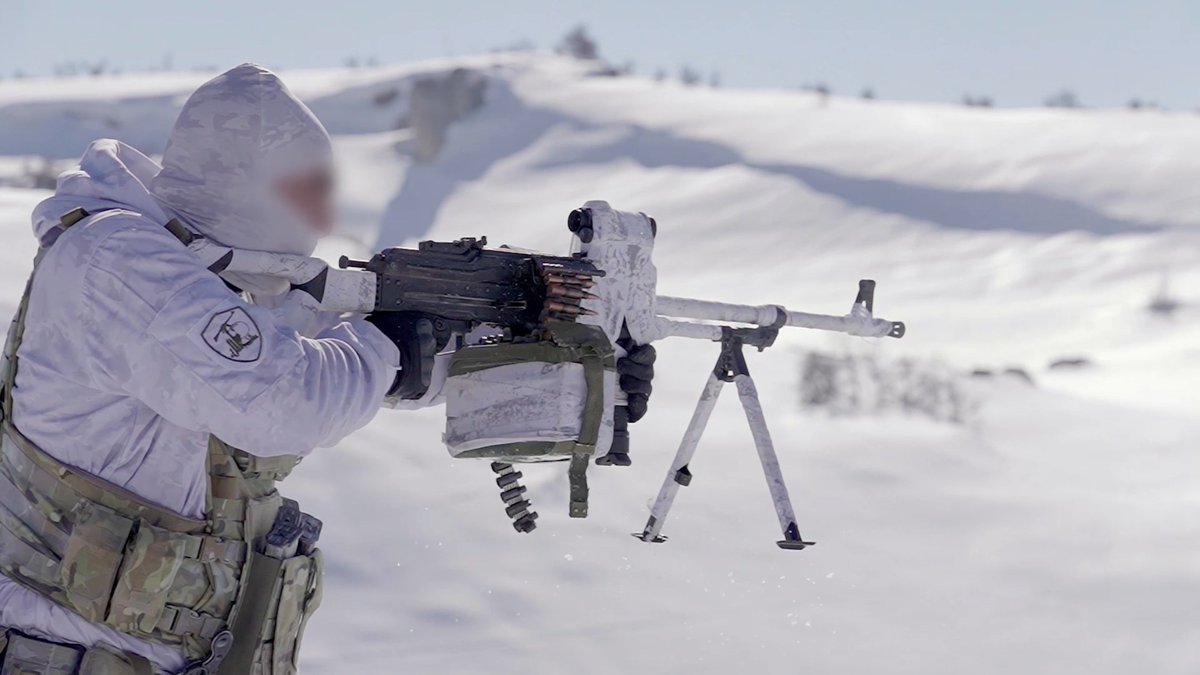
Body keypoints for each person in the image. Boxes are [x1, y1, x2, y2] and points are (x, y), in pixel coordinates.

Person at [0, 64, 416, 675]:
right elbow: (289, 402)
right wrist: (393, 342)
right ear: (243, 185)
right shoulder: (118, 261)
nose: (325, 222)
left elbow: (329, 353)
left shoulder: (204, 279)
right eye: (310, 190)